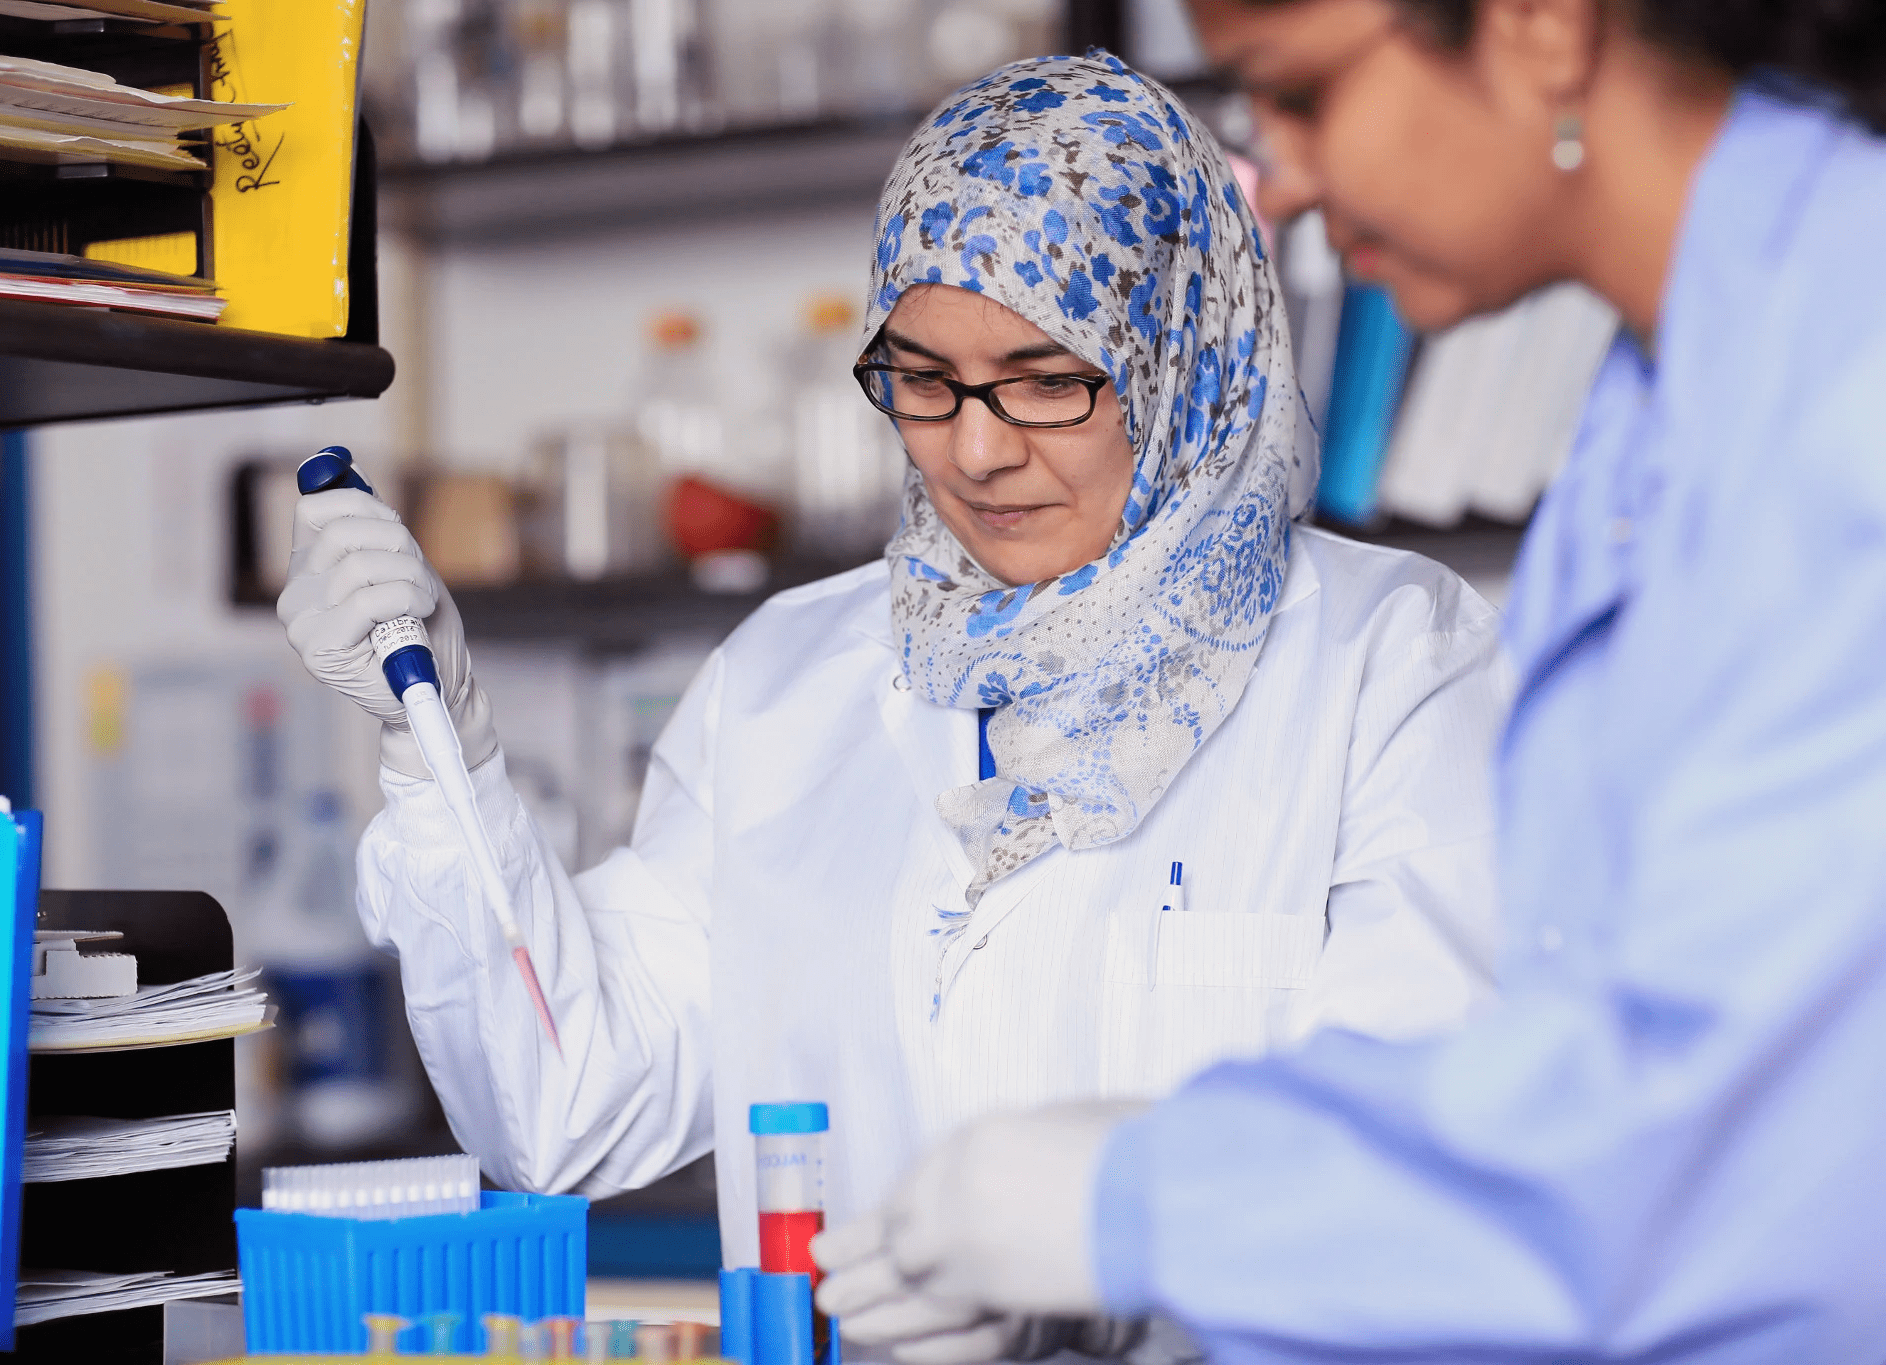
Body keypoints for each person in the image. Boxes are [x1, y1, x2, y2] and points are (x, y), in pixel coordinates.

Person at [278, 50, 1507, 1341]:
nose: (976, 449)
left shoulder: (1385, 660)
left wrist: (1097, 1287)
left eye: (1048, 379)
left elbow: (1437, 1162)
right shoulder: (783, 680)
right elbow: (569, 1109)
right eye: (923, 381)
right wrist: (445, 758)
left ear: (1180, 354)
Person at [815, 2, 1886, 1360]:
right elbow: (1596, 1054)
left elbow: (1744, 1166)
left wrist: (1144, 1206)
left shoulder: (1846, 395)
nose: (1283, 182)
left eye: (1306, 93)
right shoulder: (1660, 408)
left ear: (1543, 24)